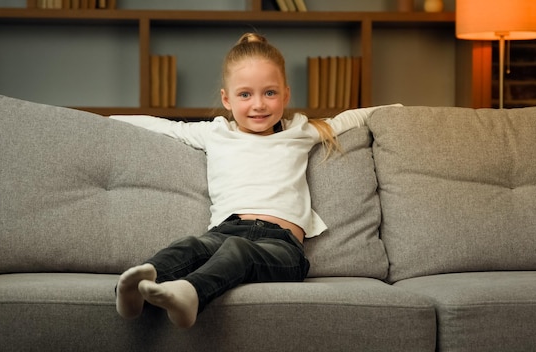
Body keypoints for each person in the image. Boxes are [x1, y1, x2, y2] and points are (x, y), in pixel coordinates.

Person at [112, 32, 397, 328]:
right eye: (245, 94)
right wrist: (105, 120)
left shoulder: (298, 131)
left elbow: (348, 119)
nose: (259, 105)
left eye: (270, 93)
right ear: (227, 99)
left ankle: (191, 293)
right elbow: (163, 127)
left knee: (240, 252)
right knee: (189, 246)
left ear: (285, 95)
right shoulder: (216, 133)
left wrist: (396, 111)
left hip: (282, 247)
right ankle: (132, 291)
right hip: (224, 233)